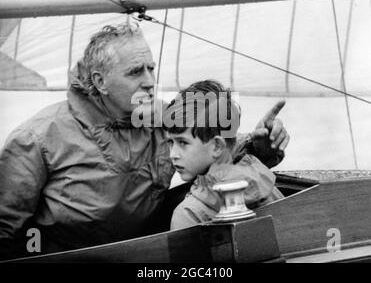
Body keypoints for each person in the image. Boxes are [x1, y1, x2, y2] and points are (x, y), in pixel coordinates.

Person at [0, 23, 289, 260]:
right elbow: (5, 232)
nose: (150, 81)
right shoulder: (36, 139)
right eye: (136, 72)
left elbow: (214, 148)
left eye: (151, 68)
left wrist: (259, 147)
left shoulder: (161, 116)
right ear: (100, 82)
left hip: (149, 255)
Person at [163, 80, 284, 230]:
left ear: (217, 146)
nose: (173, 154)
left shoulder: (187, 215)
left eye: (182, 143)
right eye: (170, 143)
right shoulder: (269, 188)